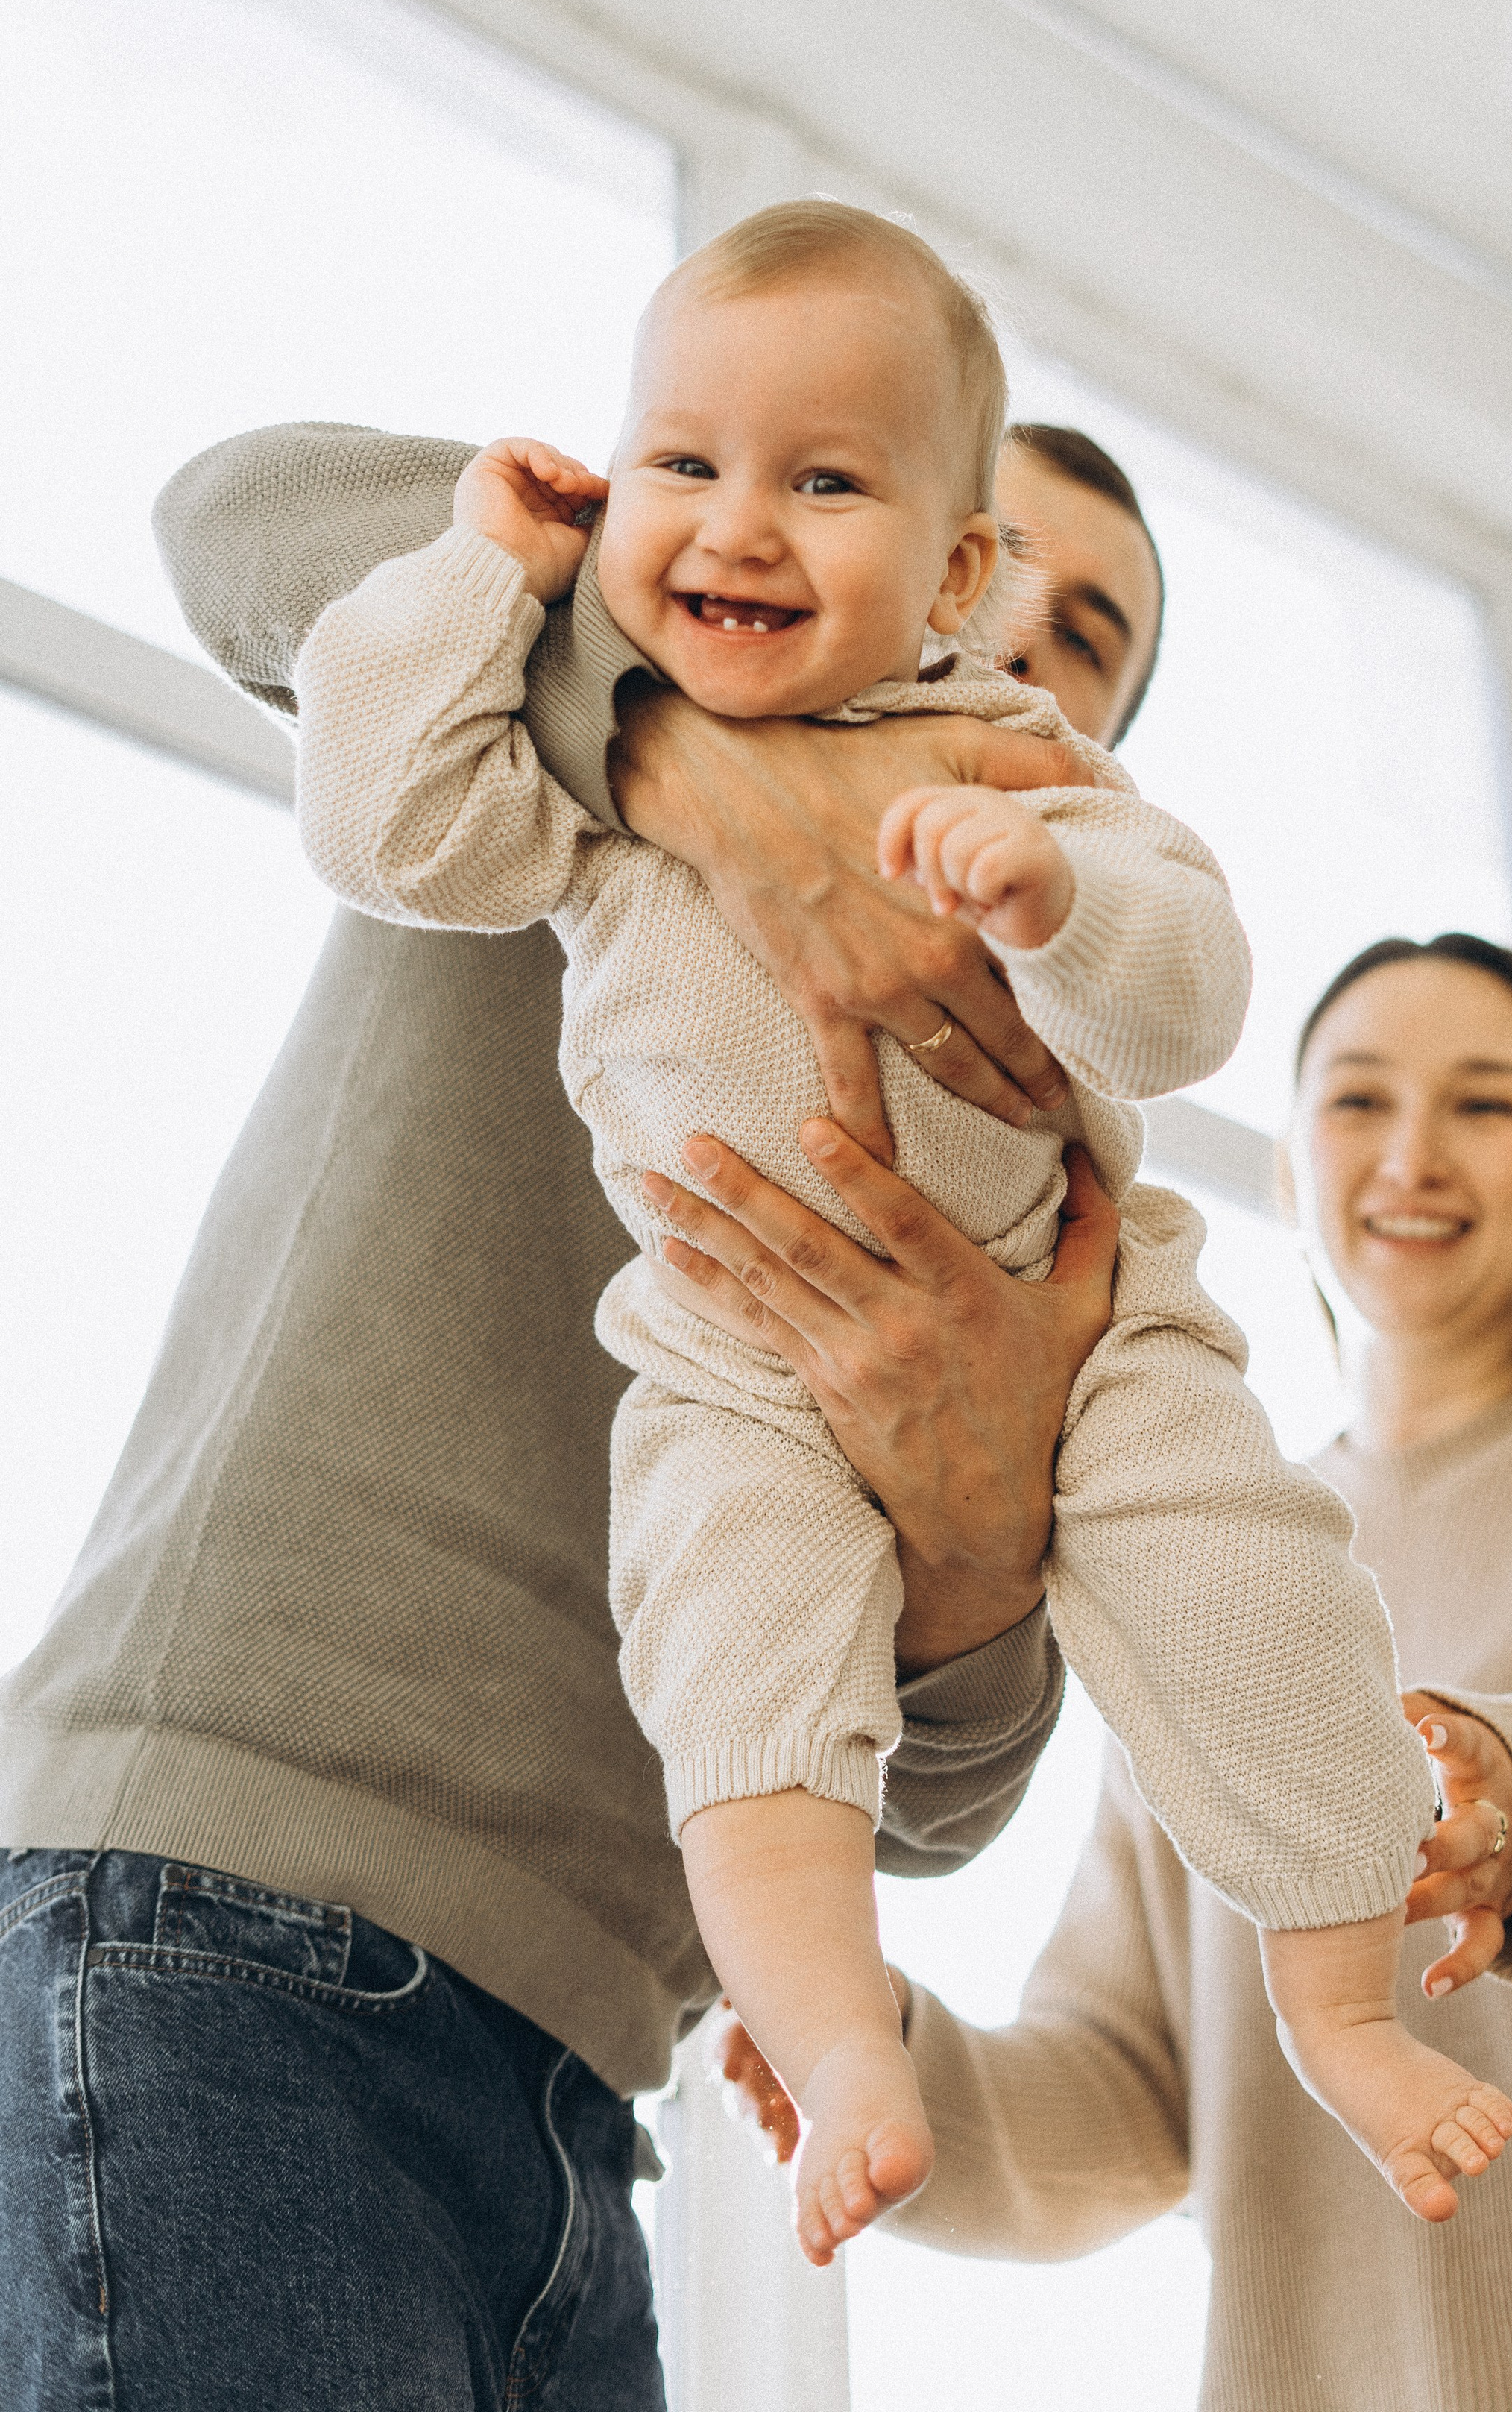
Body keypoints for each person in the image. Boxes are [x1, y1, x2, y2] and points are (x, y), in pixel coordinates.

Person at [291, 197, 1504, 2261]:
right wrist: (490, 566)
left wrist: (1051, 894)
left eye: (823, 483)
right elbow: (380, 819)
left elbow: (1187, 988)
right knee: (739, 1680)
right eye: (683, 467)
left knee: (1261, 1601)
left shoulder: (1013, 763)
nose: (739, 526)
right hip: (727, 1355)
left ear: (955, 582)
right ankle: (840, 2038)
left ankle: (1336, 2010)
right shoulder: (592, 761)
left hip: (1078, 1339)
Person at [0, 365, 1176, 2401]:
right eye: (990, 549)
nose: (1017, 622)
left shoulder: (1017, 1106)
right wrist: (675, 748)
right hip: (232, 1914)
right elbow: (236, 520)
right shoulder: (535, 732)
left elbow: (946, 1797)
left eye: (1088, 637)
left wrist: (978, 1512)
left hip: (580, 2082)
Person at [711, 930, 1512, 2409]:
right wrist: (880, 2058)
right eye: (1353, 1103)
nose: (1411, 1154)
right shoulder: (1204, 1560)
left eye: (1482, 1106)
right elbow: (1140, 2094)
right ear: (1285, 1171)